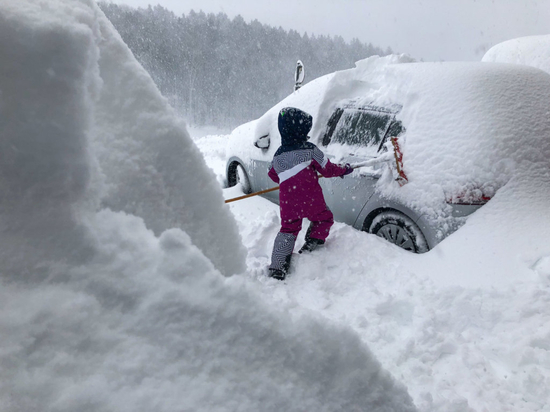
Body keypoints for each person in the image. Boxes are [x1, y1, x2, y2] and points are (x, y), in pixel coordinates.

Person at [268, 107, 353, 280]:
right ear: (302, 131)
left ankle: (277, 267)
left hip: (288, 202)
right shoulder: (310, 150)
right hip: (311, 199)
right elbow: (328, 169)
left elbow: (272, 174)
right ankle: (312, 243)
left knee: (288, 230)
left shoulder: (278, 156)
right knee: (324, 219)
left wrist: (288, 182)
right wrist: (344, 170)